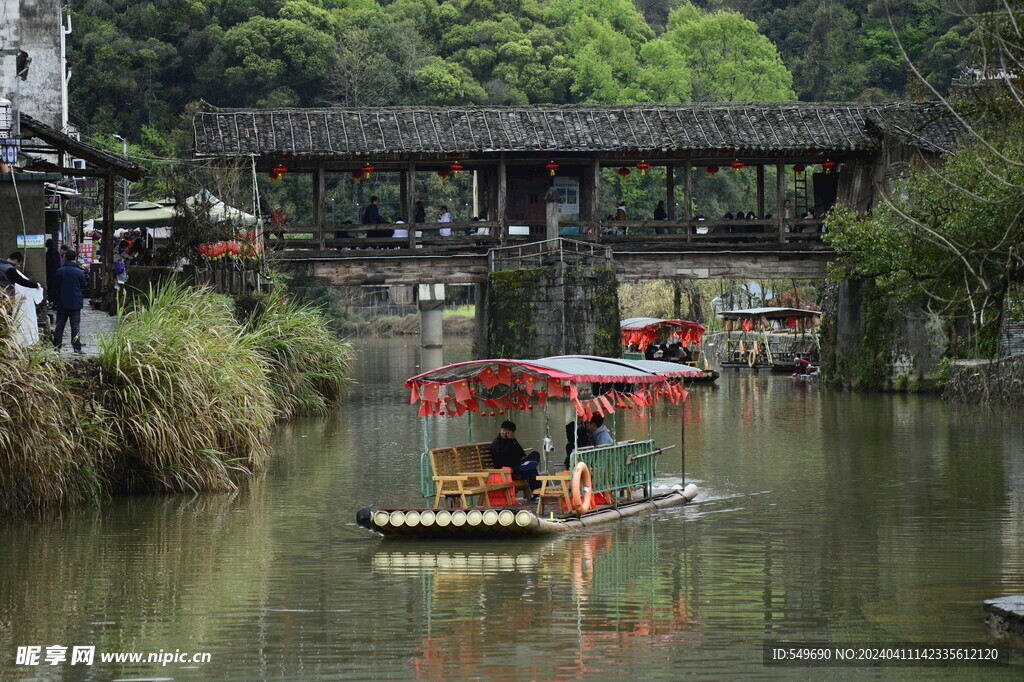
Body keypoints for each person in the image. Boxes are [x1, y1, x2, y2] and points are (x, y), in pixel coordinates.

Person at [489, 420, 538, 498]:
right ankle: (537, 494)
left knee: (535, 455)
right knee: (531, 470)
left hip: (517, 466)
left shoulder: (512, 441)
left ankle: (537, 493)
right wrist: (510, 440)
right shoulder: (497, 443)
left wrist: (514, 441)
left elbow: (521, 452)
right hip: (507, 471)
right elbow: (504, 456)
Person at [52, 248, 87, 354]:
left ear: (66, 258)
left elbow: (55, 286)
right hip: (75, 303)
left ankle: (57, 346)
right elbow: (84, 285)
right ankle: (76, 347)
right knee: (75, 326)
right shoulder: (79, 272)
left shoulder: (59, 271)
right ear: (74, 259)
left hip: (62, 303)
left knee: (60, 325)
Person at [7, 252, 43, 346]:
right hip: (7, 300)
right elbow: (21, 281)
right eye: (18, 264)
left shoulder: (3, 265)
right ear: (15, 260)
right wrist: (36, 285)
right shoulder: (10, 269)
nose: (17, 265)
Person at [45, 238, 61, 304]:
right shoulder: (56, 252)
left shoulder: (49, 253)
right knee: (55, 287)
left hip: (50, 273)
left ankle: (52, 300)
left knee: (51, 287)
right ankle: (55, 301)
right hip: (56, 273)